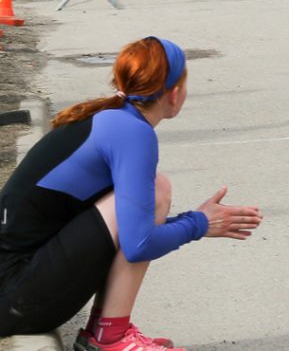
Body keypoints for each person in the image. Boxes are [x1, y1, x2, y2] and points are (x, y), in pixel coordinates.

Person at [0, 37, 263, 351]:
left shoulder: (113, 116)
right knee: (155, 190)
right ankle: (110, 337)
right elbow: (139, 244)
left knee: (155, 190)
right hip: (16, 299)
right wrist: (200, 224)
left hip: (17, 286)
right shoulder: (131, 132)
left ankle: (108, 331)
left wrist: (196, 222)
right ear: (175, 94)